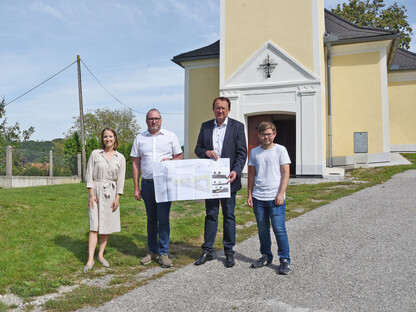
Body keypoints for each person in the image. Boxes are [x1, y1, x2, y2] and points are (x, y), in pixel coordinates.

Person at [194, 96, 247, 268]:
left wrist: (236, 171)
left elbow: (242, 153)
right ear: (213, 109)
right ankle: (207, 250)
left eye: (223, 108)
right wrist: (207, 152)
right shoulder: (206, 126)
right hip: (210, 180)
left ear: (229, 110)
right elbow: (197, 149)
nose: (220, 111)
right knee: (211, 214)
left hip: (228, 179)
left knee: (229, 216)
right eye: (217, 108)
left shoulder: (237, 127)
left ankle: (229, 251)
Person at [131, 108, 183, 268]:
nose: (154, 121)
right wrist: (136, 187)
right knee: (151, 219)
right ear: (146, 121)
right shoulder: (140, 138)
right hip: (147, 183)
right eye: (151, 118)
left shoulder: (170, 136)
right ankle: (151, 251)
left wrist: (171, 161)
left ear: (161, 120)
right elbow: (135, 162)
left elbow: (179, 157)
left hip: (164, 183)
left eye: (156, 118)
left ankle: (163, 252)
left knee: (163, 219)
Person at [247, 121, 291, 275]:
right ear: (259, 135)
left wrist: (281, 193)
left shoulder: (280, 150)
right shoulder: (254, 152)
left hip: (275, 197)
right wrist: (249, 194)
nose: (266, 137)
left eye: (269, 134)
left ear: (274, 134)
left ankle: (284, 259)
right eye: (263, 134)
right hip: (259, 197)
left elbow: (286, 173)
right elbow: (251, 174)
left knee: (279, 229)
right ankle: (266, 255)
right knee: (263, 230)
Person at [83, 128, 126, 273]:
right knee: (94, 225)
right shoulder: (96, 154)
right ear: (102, 139)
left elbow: (121, 179)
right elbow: (89, 174)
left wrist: (118, 197)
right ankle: (90, 259)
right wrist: (91, 193)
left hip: (111, 193)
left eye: (110, 136)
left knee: (106, 226)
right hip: (96, 191)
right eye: (105, 137)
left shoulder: (120, 157)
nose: (108, 139)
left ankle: (100, 255)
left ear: (115, 138)